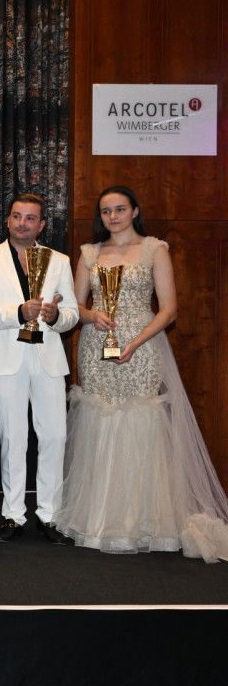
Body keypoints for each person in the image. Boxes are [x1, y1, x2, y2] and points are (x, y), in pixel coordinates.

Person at [59, 186, 228, 561]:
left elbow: (169, 309)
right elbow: (75, 306)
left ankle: (144, 521)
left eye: (120, 209)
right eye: (106, 211)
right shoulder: (90, 253)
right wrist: (92, 315)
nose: (113, 217)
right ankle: (100, 521)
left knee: (141, 420)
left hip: (144, 344)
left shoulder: (155, 249)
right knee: (101, 418)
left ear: (135, 211)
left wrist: (134, 342)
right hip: (97, 345)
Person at [0, 193, 79, 545]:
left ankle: (50, 516)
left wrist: (55, 316)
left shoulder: (59, 261)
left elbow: (72, 314)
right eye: (17, 216)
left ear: (41, 225)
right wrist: (19, 312)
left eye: (30, 218)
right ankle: (13, 515)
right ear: (8, 220)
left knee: (54, 436)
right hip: (5, 358)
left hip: (47, 358)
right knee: (12, 439)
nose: (22, 223)